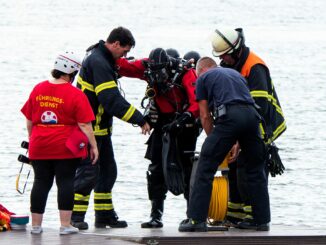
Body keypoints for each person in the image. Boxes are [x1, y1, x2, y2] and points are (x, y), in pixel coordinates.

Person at [71, 27, 151, 230]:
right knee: (88, 173)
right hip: (91, 130)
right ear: (115, 44)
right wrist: (139, 118)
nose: (124, 56)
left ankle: (104, 216)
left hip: (100, 130)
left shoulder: (101, 58)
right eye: (123, 51)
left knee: (108, 172)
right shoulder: (99, 61)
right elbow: (110, 99)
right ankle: (75, 217)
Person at [179, 57, 270, 232]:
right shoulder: (235, 74)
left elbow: (205, 116)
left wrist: (215, 143)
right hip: (253, 118)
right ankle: (261, 221)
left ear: (202, 70)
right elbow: (240, 105)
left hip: (230, 119)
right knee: (255, 169)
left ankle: (196, 220)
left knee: (205, 166)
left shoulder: (203, 79)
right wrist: (234, 141)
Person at [210, 28, 286, 227]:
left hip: (262, 126)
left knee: (251, 168)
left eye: (225, 55)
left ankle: (258, 219)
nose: (222, 59)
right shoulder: (232, 65)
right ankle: (235, 214)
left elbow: (258, 107)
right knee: (234, 168)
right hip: (242, 126)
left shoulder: (255, 67)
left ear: (235, 50)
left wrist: (241, 141)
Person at [21, 51, 99, 235]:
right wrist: (93, 146)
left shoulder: (38, 88)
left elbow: (30, 120)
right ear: (72, 72)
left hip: (39, 143)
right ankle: (65, 225)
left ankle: (36, 226)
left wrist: (33, 140)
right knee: (65, 182)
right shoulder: (76, 94)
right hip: (64, 146)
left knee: (40, 182)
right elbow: (84, 124)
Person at [137, 48, 199, 228]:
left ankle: (191, 215)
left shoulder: (186, 74)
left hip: (185, 126)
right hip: (163, 126)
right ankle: (156, 215)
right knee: (155, 170)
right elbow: (130, 68)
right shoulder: (151, 74)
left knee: (187, 170)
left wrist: (184, 119)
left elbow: (197, 103)